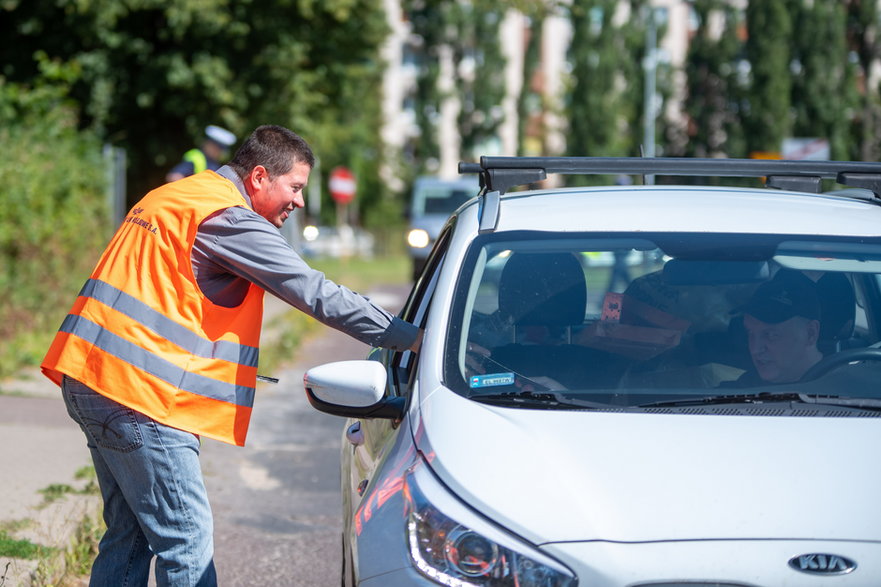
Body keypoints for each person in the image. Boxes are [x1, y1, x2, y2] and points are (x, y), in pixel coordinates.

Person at [41, 125, 421, 586]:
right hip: (139, 395)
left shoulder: (178, 195)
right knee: (186, 542)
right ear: (260, 177)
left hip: (93, 376)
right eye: (295, 188)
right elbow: (312, 291)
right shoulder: (229, 217)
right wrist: (412, 338)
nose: (299, 202)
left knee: (130, 536)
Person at [728, 271, 823, 386]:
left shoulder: (842, 391)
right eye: (750, 333)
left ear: (810, 333)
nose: (754, 349)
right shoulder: (738, 391)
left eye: (771, 335)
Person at [166, 124, 237, 182]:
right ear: (208, 144)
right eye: (217, 148)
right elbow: (174, 176)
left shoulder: (215, 164)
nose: (218, 152)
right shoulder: (196, 157)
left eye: (220, 149)